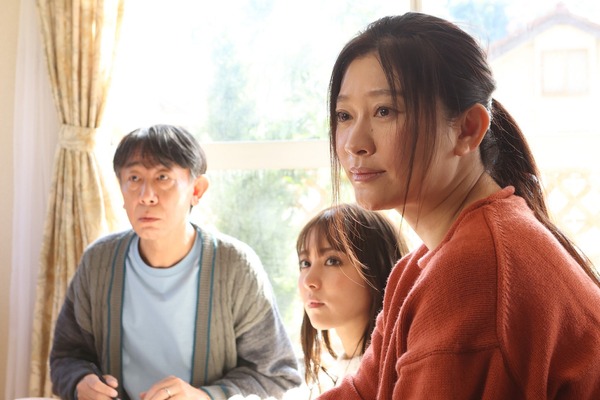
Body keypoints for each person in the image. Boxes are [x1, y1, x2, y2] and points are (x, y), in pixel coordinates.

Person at [317, 12, 600, 399]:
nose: (354, 143)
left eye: (385, 111)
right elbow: (361, 392)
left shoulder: (472, 274)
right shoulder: (418, 268)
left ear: (468, 129)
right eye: (344, 115)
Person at [49, 124, 302, 400]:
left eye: (163, 177)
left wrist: (204, 397)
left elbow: (277, 376)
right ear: (121, 190)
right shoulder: (98, 262)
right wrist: (80, 382)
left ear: (197, 190)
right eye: (134, 178)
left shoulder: (236, 267)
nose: (146, 195)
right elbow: (66, 357)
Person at [296, 203, 407, 398]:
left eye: (332, 261)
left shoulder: (398, 377)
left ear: (376, 268)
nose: (309, 281)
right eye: (305, 263)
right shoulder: (338, 376)